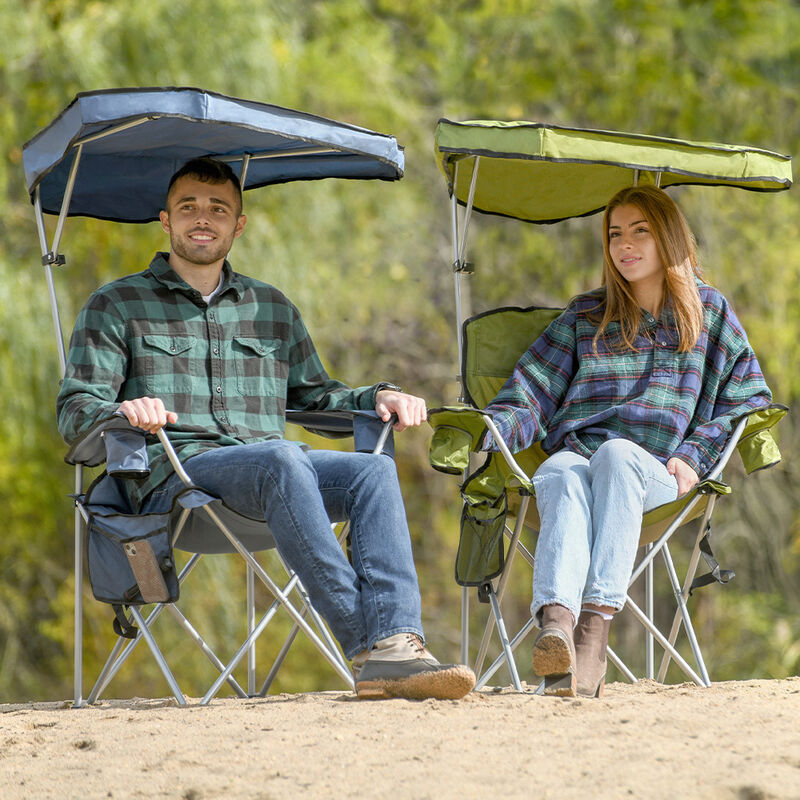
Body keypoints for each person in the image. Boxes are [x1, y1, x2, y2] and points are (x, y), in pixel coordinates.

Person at [57, 157, 475, 701]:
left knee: (371, 472)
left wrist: (379, 396)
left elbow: (317, 398)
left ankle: (397, 643)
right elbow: (75, 410)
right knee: (281, 457)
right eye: (188, 207)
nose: (202, 219)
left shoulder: (272, 309)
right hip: (176, 483)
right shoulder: (116, 304)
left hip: (276, 481)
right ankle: (367, 644)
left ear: (238, 225)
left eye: (218, 209)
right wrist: (124, 410)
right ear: (165, 220)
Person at [482, 185, 771, 698]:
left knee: (617, 456)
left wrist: (695, 455)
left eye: (640, 231)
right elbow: (531, 393)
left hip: (656, 476)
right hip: (579, 459)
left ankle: (593, 634)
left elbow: (748, 399)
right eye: (615, 234)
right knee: (558, 471)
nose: (625, 245)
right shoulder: (586, 315)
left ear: (669, 238)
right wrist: (487, 432)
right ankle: (557, 630)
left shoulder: (709, 313)